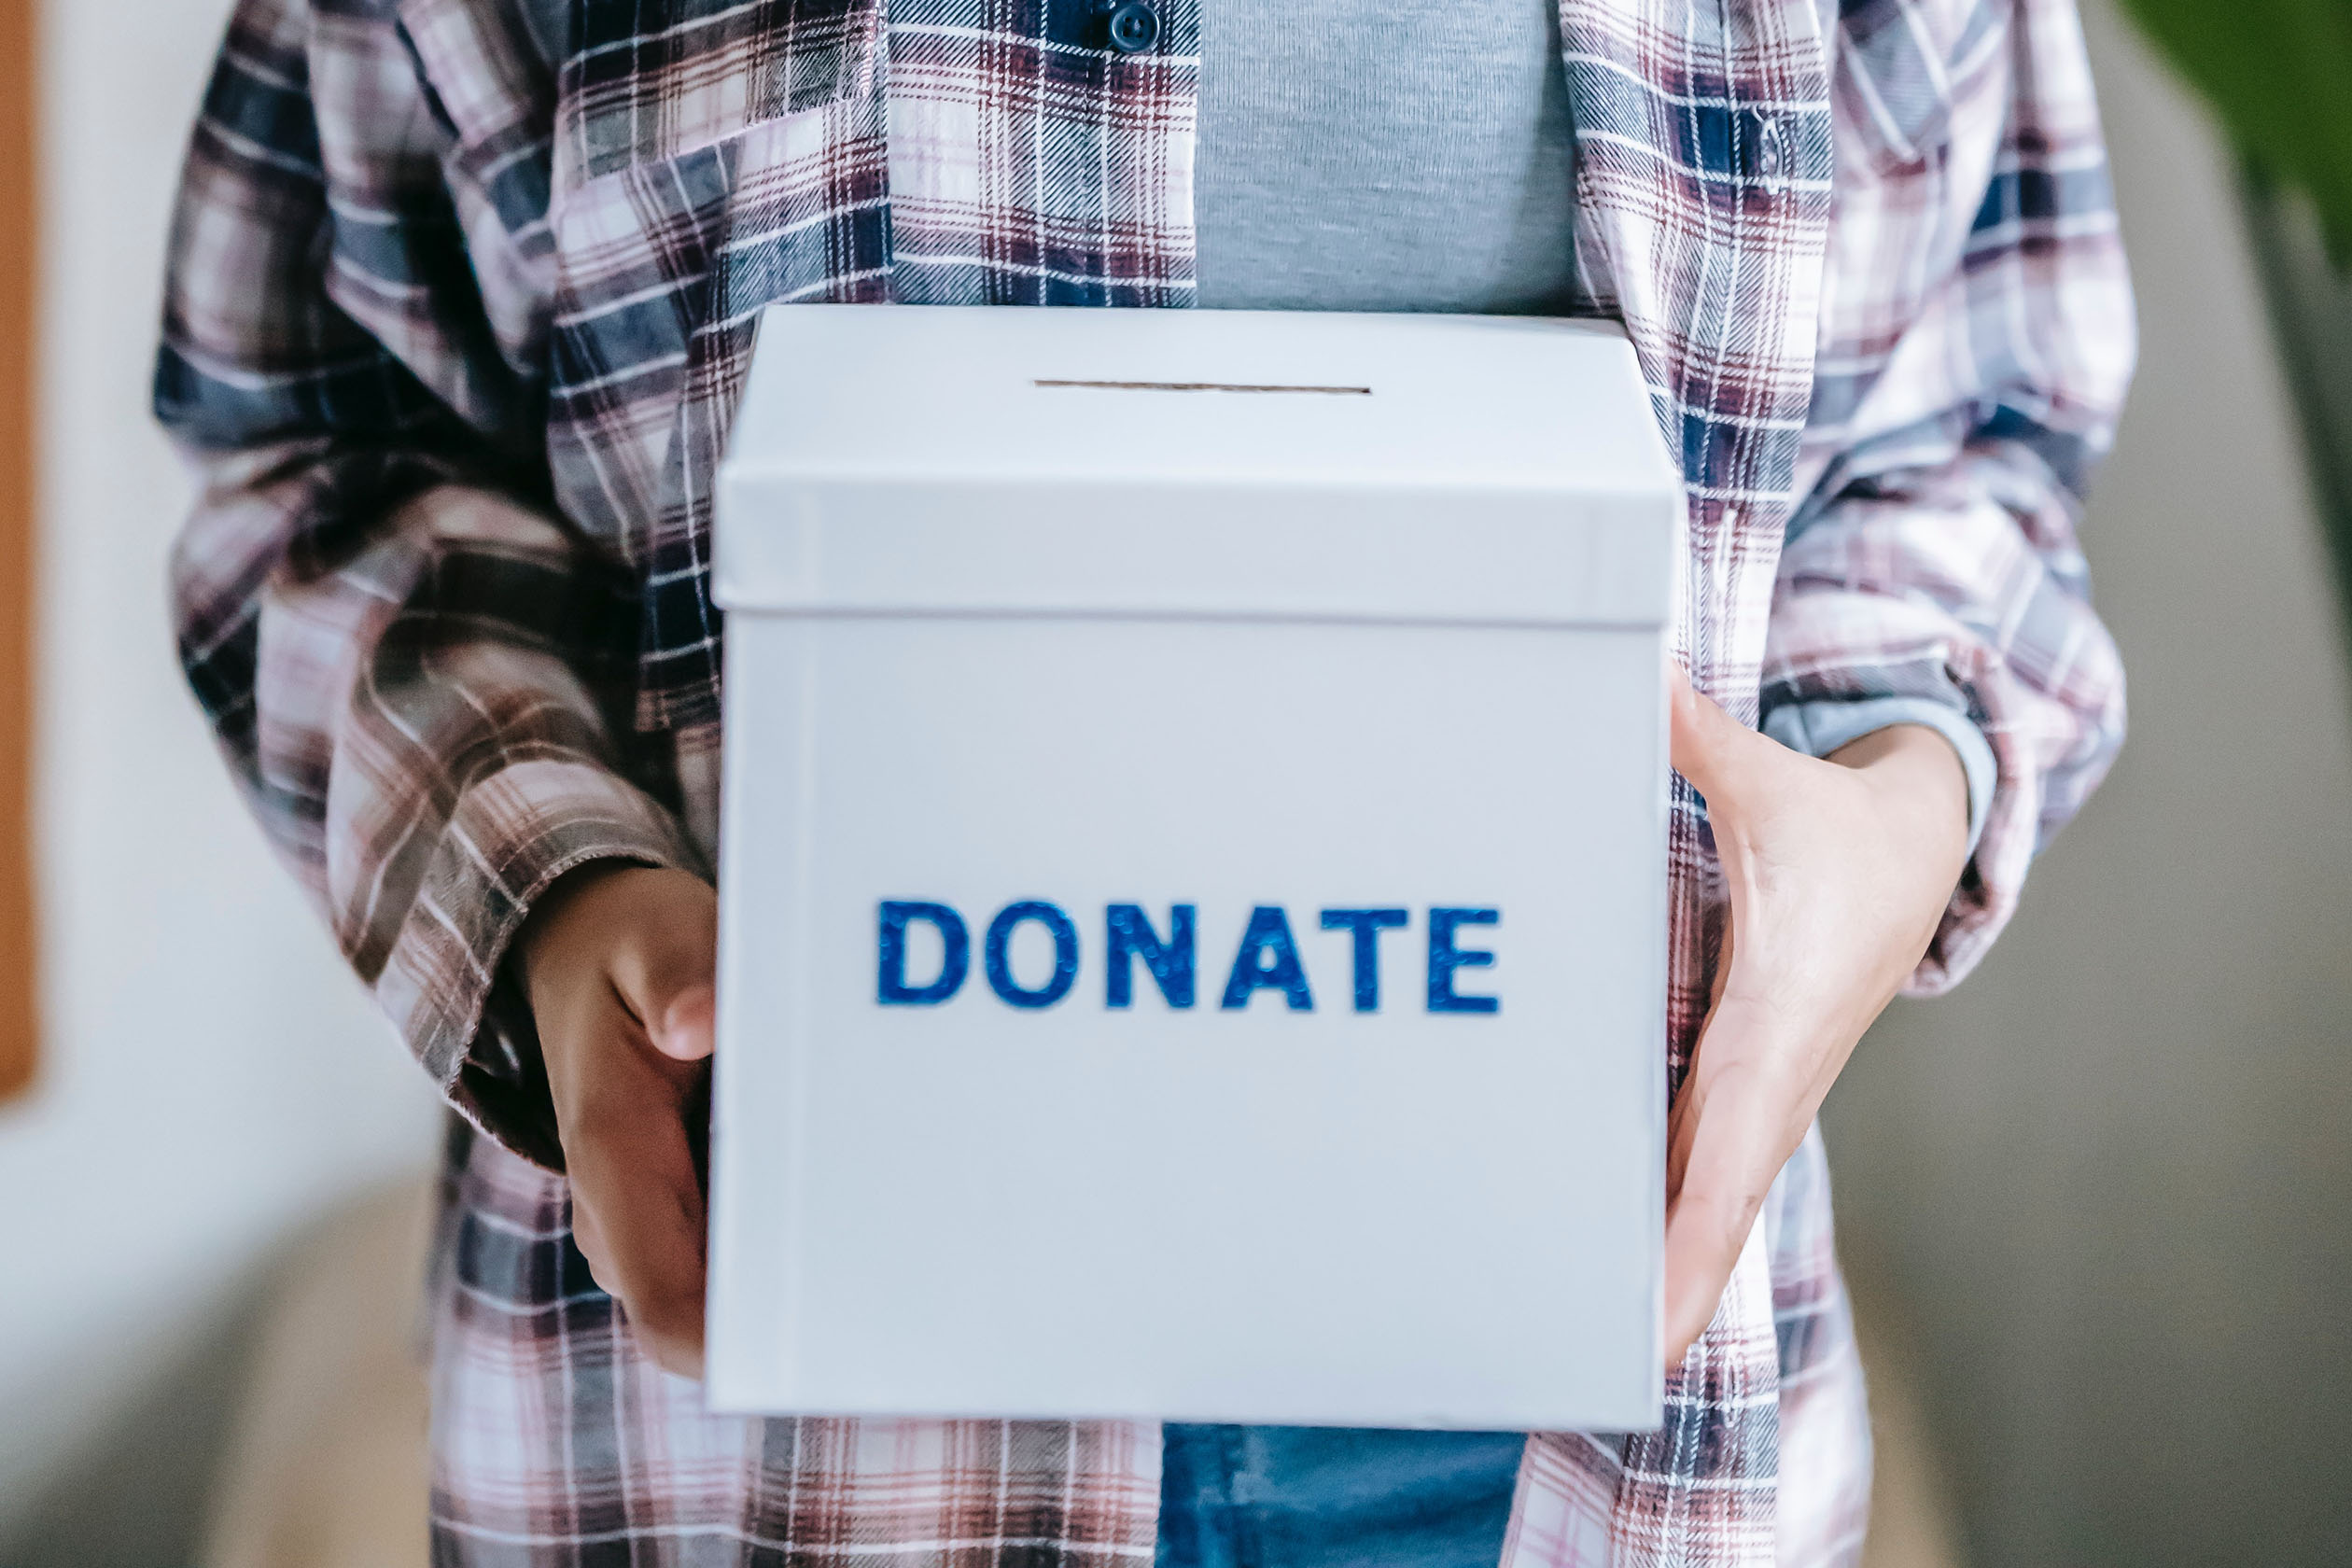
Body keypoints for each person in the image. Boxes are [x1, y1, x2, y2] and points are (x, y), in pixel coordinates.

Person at [155, 0, 2132, 1561]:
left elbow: (1965, 428)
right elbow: (324, 443)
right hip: (781, 1440)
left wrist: (1893, 803)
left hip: (1567, 1437)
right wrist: (552, 884)